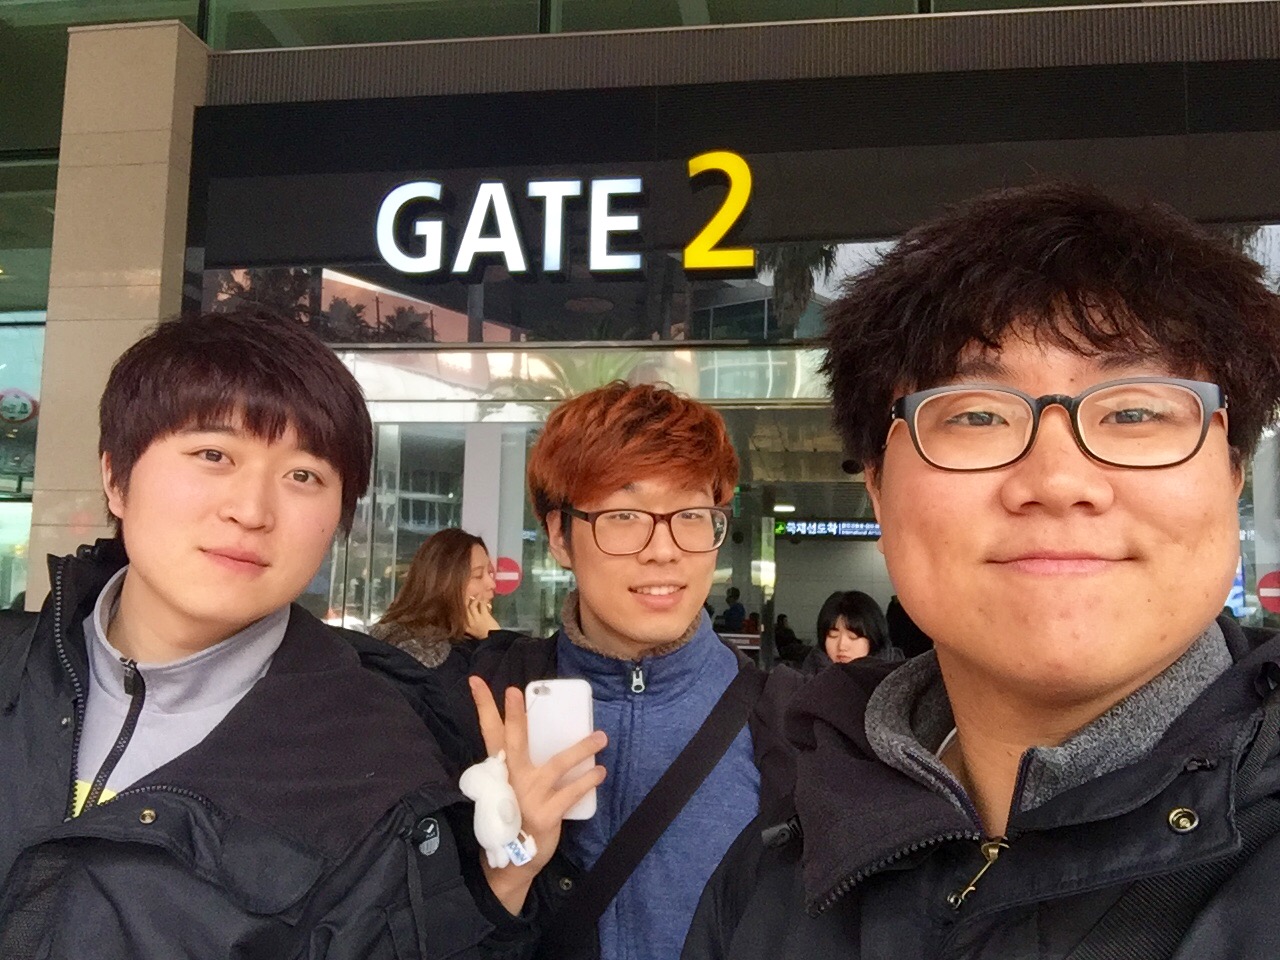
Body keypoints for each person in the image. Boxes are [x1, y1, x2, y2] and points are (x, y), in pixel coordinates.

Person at [682, 181, 1280, 960]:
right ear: (878, 489)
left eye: (1134, 412)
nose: (1057, 480)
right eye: (976, 415)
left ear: (1233, 474)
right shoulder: (777, 872)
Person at [0, 310, 534, 958]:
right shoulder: (14, 665)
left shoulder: (378, 769)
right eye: (213, 455)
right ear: (116, 478)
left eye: (303, 475)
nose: (252, 510)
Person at [467, 382, 801, 960]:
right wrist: (512, 865)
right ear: (559, 537)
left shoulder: (791, 726)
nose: (664, 550)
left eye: (691, 514)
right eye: (624, 515)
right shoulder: (488, 704)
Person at [371, 528, 500, 678]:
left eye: (490, 573)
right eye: (478, 575)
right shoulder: (425, 652)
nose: (492, 584)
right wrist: (496, 642)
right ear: (444, 583)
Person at [802, 590, 899, 673]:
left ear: (874, 637)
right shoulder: (809, 675)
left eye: (853, 637)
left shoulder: (898, 677)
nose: (842, 646)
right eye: (833, 635)